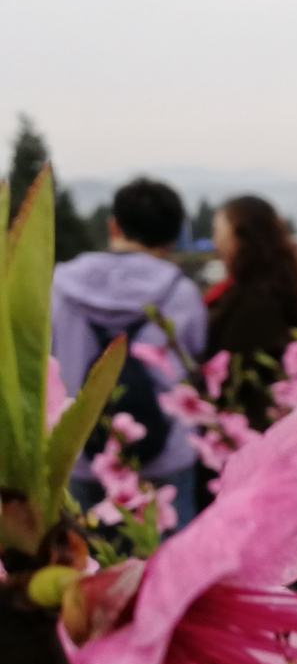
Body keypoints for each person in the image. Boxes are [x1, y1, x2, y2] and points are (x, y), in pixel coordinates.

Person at [52, 177, 206, 527]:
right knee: (169, 570)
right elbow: (194, 356)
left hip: (80, 451)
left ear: (113, 225)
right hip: (166, 454)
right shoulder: (180, 293)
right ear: (172, 236)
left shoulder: (60, 288)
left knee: (90, 567)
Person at [204, 195, 297, 430]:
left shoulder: (249, 304)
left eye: (219, 232)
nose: (215, 242)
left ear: (242, 238)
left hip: (256, 431)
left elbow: (232, 376)